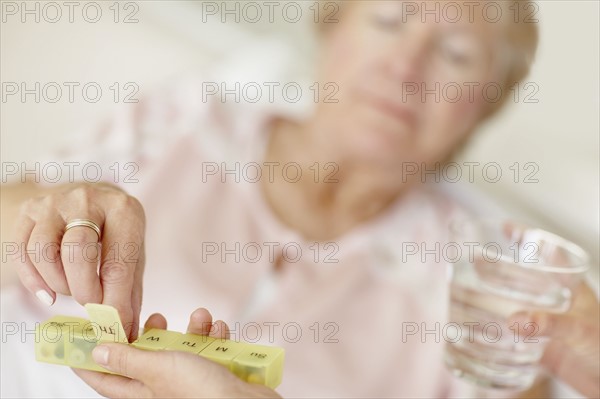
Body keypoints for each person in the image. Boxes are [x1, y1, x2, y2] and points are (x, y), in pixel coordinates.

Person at [2, 1, 598, 398]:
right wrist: (41, 225)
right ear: (331, 27)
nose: (406, 66)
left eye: (457, 53)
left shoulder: (489, 285)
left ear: (486, 104)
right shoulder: (186, 121)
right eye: (390, 19)